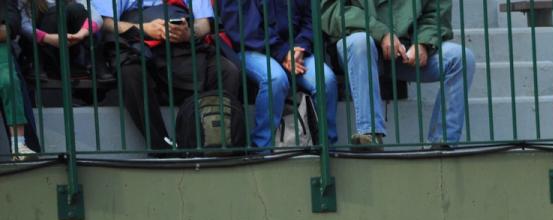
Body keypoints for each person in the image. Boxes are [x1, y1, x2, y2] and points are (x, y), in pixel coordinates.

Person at [319, 0, 473, 149]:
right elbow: (332, 11)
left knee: (461, 58)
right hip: (357, 46)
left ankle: (443, 140)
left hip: (404, 51)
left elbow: (436, 13)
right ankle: (370, 133)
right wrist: (381, 33)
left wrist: (423, 43)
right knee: (360, 43)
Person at [95, 0, 241, 154]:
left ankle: (213, 141)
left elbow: (205, 22)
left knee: (226, 70)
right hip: (136, 44)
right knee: (129, 72)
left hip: (182, 47)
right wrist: (145, 28)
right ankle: (162, 148)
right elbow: (106, 23)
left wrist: (189, 32)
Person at [219, 0, 337, 150]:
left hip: (296, 51)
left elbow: (311, 18)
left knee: (326, 80)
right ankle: (263, 147)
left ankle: (327, 147)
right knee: (275, 78)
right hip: (253, 48)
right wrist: (282, 52)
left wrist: (300, 47)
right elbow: (243, 28)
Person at [18, 0, 99, 80]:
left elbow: (96, 17)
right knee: (55, 10)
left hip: (69, 46)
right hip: (40, 47)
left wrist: (80, 35)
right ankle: (41, 65)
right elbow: (23, 25)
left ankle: (96, 63)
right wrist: (46, 37)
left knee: (77, 8)